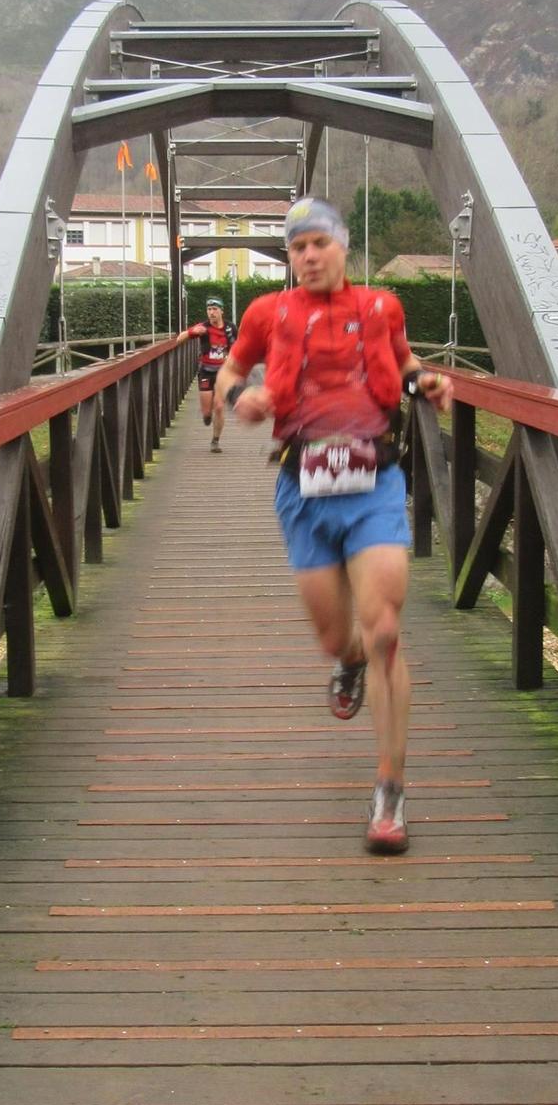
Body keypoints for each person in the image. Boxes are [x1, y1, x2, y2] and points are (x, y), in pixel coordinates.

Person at [213, 196, 452, 853]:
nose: (310, 255)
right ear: (289, 258)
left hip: (375, 482)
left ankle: (388, 791)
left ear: (343, 246)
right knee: (336, 635)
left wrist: (424, 383)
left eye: (319, 242)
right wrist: (242, 398)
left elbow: (401, 366)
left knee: (384, 632)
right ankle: (344, 661)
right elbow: (231, 370)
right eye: (297, 247)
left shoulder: (381, 307)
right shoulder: (269, 314)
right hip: (302, 488)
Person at [188, 297, 236, 452]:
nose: (211, 312)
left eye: (215, 309)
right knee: (207, 410)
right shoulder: (203, 327)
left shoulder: (230, 328)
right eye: (209, 309)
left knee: (220, 407)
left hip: (223, 372)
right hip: (206, 371)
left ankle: (215, 441)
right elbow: (178, 339)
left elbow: (240, 347)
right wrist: (192, 332)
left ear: (221, 311)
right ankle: (207, 415)